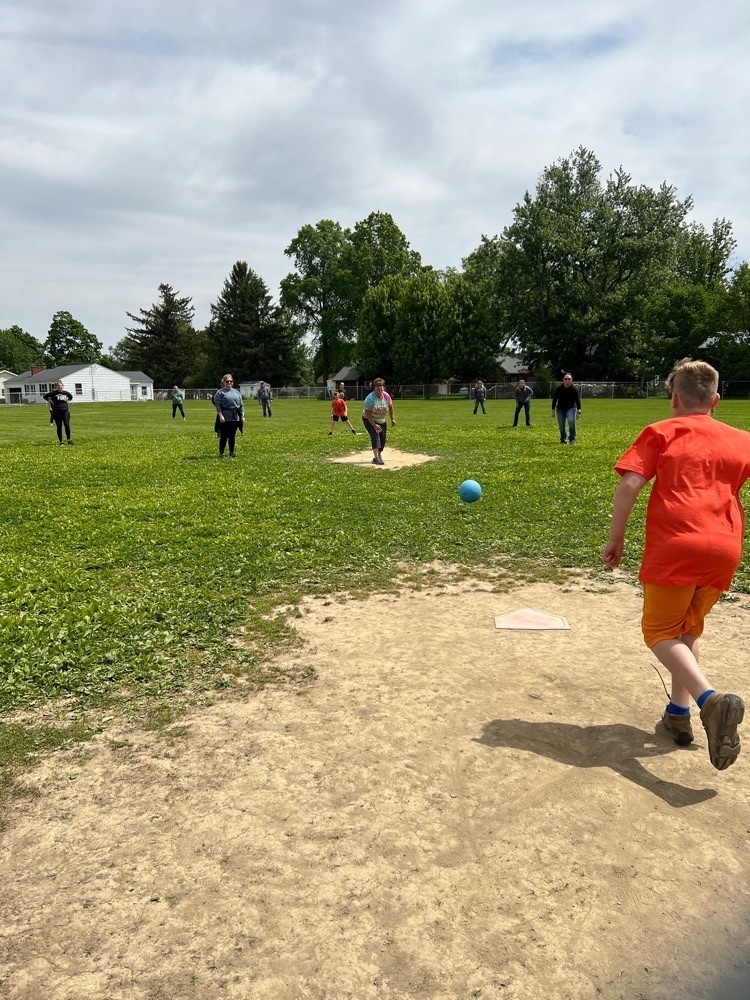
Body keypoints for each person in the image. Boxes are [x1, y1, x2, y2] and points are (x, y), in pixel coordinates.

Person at [602, 358, 748, 772]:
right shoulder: (742, 439)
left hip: (677, 547)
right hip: (724, 548)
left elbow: (630, 484)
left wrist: (615, 539)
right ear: (716, 401)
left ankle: (710, 701)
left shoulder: (662, 432)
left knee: (659, 632)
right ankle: (678, 714)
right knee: (687, 628)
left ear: (674, 399)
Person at [362, 378, 395, 466]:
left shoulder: (386, 396)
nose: (380, 387)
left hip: (381, 420)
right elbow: (367, 413)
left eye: (381, 386)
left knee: (383, 439)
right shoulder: (370, 398)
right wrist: (374, 425)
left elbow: (391, 407)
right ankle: (376, 458)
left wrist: (392, 419)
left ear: (383, 387)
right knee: (375, 436)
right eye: (377, 386)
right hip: (369, 419)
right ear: (374, 387)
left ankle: (379, 455)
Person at [213, 374, 245, 458]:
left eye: (231, 381)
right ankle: (221, 453)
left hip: (235, 417)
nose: (229, 383)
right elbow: (218, 405)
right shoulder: (220, 392)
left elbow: (241, 405)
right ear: (223, 382)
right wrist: (220, 415)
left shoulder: (236, 392)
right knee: (224, 436)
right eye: (227, 381)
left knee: (232, 436)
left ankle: (231, 452)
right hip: (225, 417)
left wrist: (242, 416)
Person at [551, 373, 581, 444]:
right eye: (566, 379)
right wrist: (553, 410)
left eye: (569, 379)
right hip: (560, 409)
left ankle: (572, 439)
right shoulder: (559, 389)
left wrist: (579, 410)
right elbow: (555, 400)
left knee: (571, 422)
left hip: (571, 408)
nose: (567, 380)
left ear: (572, 380)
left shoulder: (574, 389)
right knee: (561, 425)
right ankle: (563, 439)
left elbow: (577, 400)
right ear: (563, 380)